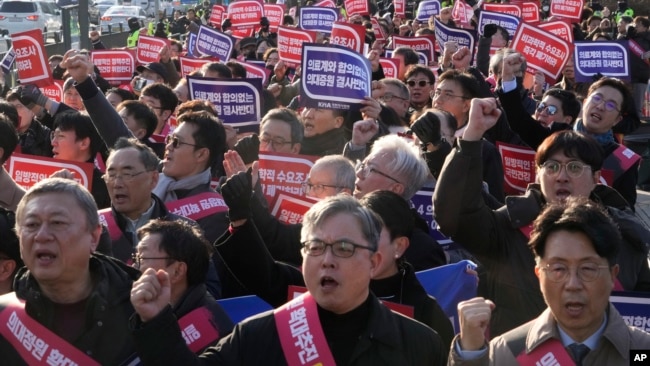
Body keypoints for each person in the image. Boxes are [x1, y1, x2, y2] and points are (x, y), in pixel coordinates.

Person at [130, 195, 446, 365]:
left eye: (344, 248)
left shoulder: (419, 343)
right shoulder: (258, 335)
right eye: (316, 247)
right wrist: (157, 320)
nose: (327, 259)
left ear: (374, 262)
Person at [434, 98, 650, 337]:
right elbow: (453, 215)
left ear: (596, 177)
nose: (562, 177)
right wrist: (473, 135)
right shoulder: (508, 226)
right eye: (552, 167)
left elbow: (640, 318)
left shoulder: (628, 236)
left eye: (575, 167)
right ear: (538, 174)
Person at [449, 197, 650, 365]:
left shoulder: (641, 351)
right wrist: (470, 356)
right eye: (558, 269)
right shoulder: (506, 353)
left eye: (588, 269)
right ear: (539, 275)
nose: (572, 284)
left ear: (613, 276)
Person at [0, 178, 140, 364]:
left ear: (93, 237)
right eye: (32, 225)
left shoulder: (141, 313)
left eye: (57, 223)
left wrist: (160, 325)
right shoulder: (5, 317)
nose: (41, 236)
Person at [134, 219, 234, 352]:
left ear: (177, 271)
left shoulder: (211, 332)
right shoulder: (157, 310)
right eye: (135, 257)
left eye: (143, 258)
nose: (134, 266)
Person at [50, 111, 111, 209]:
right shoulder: (44, 176)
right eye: (53, 136)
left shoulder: (105, 188)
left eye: (61, 136)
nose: (53, 142)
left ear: (84, 143)